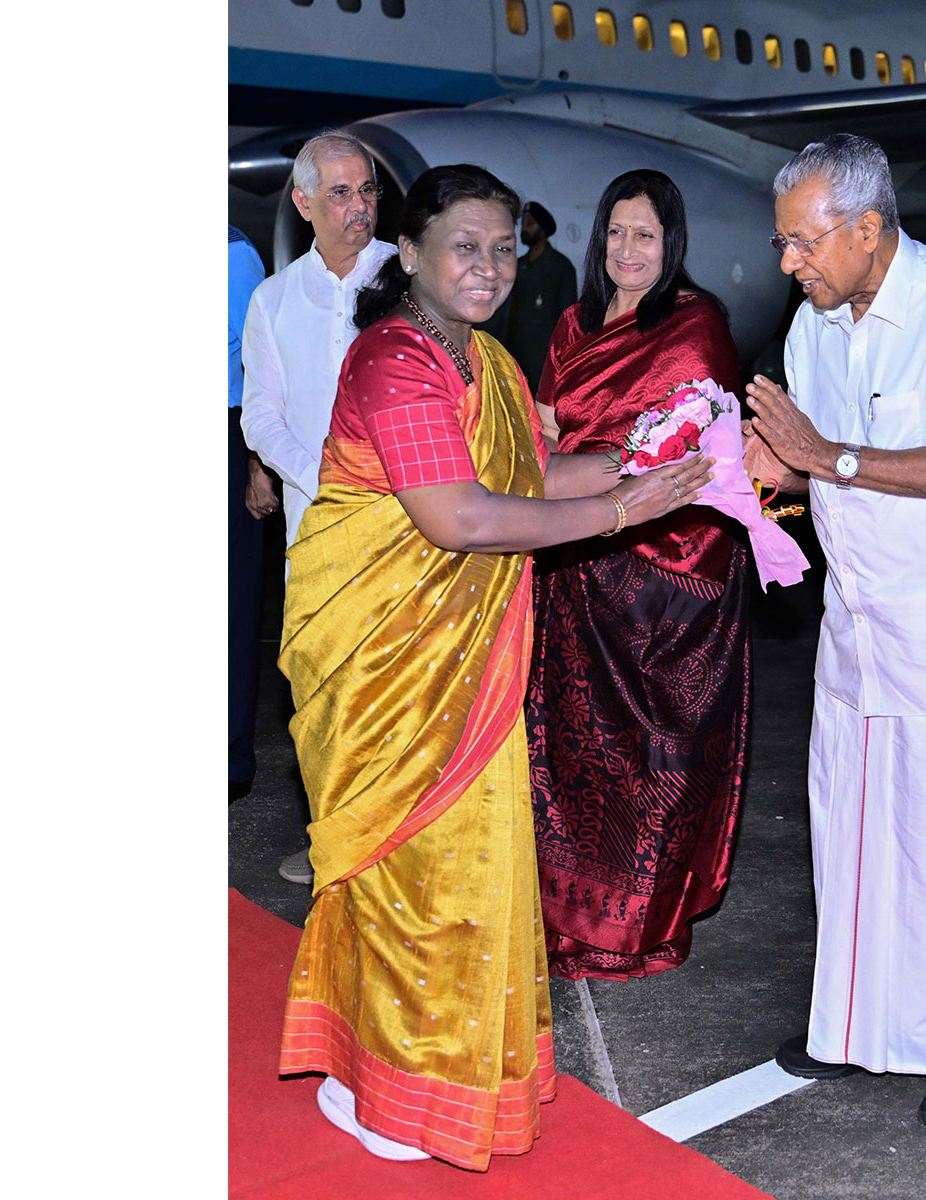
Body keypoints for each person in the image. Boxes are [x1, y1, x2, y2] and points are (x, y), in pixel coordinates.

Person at [275, 163, 711, 1171]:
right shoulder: (396, 359)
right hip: (386, 665)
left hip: (460, 667)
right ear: (410, 254)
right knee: (415, 880)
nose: (488, 266)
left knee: (451, 876)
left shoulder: (489, 361)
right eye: (464, 246)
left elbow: (529, 476)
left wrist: (668, 464)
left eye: (503, 249)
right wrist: (623, 510)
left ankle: (380, 1070)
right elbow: (460, 517)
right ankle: (391, 1091)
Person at [742, 133, 926, 1135]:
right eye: (783, 243)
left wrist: (823, 453)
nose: (789, 262)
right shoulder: (813, 324)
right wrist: (759, 470)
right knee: (855, 833)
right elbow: (811, 469)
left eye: (803, 242)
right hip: (859, 620)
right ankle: (854, 1022)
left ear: (867, 229)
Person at [523, 169, 751, 980]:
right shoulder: (574, 323)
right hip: (577, 560)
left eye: (645, 235)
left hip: (668, 574)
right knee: (571, 753)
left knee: (655, 756)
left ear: (671, 242)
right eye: (616, 232)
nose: (627, 250)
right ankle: (566, 916)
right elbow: (544, 428)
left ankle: (640, 924)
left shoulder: (694, 325)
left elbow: (709, 452)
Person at [240, 131, 398, 884]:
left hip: (409, 524)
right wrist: (321, 477)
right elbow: (260, 415)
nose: (359, 205)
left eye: (367, 190)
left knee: (400, 686)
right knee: (322, 691)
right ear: (303, 203)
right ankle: (330, 839)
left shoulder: (411, 277)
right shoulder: (273, 299)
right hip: (314, 526)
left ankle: (398, 844)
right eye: (340, 192)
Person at [229, 225, 268, 802]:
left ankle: (230, 757)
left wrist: (257, 463)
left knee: (231, 601)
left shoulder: (232, 255)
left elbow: (260, 368)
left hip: (227, 431)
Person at [481, 201, 577, 394]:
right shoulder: (517, 265)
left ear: (543, 229)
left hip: (544, 357)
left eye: (530, 224)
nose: (524, 229)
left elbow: (568, 319)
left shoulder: (560, 266)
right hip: (515, 352)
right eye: (523, 224)